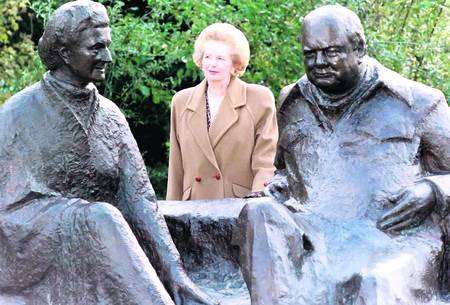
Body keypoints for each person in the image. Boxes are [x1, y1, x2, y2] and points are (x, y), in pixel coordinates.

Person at [0, 1, 217, 304]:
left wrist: (175, 273)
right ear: (64, 52)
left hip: (96, 234)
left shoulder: (110, 115)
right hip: (29, 244)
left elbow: (139, 198)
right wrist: (81, 217)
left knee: (102, 219)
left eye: (107, 46)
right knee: (100, 217)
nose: (108, 57)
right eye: (96, 48)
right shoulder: (17, 114)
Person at [238, 5, 450, 305]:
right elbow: (284, 169)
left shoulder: (419, 102)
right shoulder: (291, 101)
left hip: (390, 237)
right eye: (309, 54)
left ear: (359, 47)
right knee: (258, 212)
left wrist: (433, 190)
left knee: (372, 282)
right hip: (313, 233)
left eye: (332, 52)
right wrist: (281, 183)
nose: (319, 63)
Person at [166, 23, 278, 201]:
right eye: (207, 57)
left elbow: (266, 162)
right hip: (193, 208)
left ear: (235, 64)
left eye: (220, 58)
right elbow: (176, 166)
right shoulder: (181, 101)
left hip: (238, 208)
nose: (212, 64)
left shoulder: (259, 99)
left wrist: (259, 203)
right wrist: (170, 216)